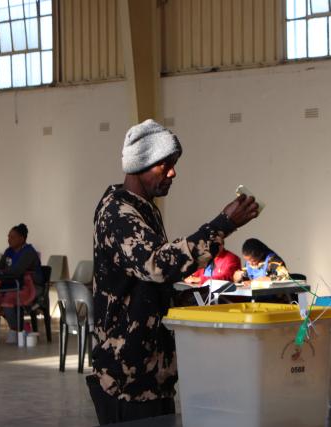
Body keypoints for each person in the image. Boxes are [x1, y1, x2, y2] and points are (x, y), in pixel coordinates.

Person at [87, 119, 259, 425]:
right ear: (140, 164)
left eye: (174, 164)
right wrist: (222, 225)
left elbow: (150, 283)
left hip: (151, 373)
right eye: (164, 164)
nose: (173, 172)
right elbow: (156, 265)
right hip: (127, 379)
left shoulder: (144, 208)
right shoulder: (118, 213)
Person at [0, 223, 42, 343]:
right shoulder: (9, 251)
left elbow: (17, 271)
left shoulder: (29, 252)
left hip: (29, 286)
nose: (9, 239)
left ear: (22, 239)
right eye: (8, 237)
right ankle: (18, 326)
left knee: (8, 299)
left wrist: (0, 273)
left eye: (13, 237)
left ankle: (16, 330)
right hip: (13, 285)